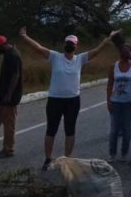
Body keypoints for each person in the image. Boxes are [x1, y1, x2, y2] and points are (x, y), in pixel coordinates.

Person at [19, 27, 120, 170]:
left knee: (70, 130)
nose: (70, 45)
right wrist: (24, 37)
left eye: (72, 43)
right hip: (55, 99)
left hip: (72, 100)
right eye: (68, 42)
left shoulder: (80, 59)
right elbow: (38, 48)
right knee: (51, 130)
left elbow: (97, 50)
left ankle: (67, 160)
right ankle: (48, 159)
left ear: (76, 46)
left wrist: (108, 39)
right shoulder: (55, 56)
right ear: (64, 44)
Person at [107, 43, 131, 163]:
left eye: (129, 50)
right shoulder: (113, 66)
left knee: (127, 130)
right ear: (120, 52)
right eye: (124, 50)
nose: (126, 52)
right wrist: (108, 100)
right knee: (114, 130)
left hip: (129, 102)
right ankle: (112, 153)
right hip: (115, 101)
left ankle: (124, 153)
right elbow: (110, 84)